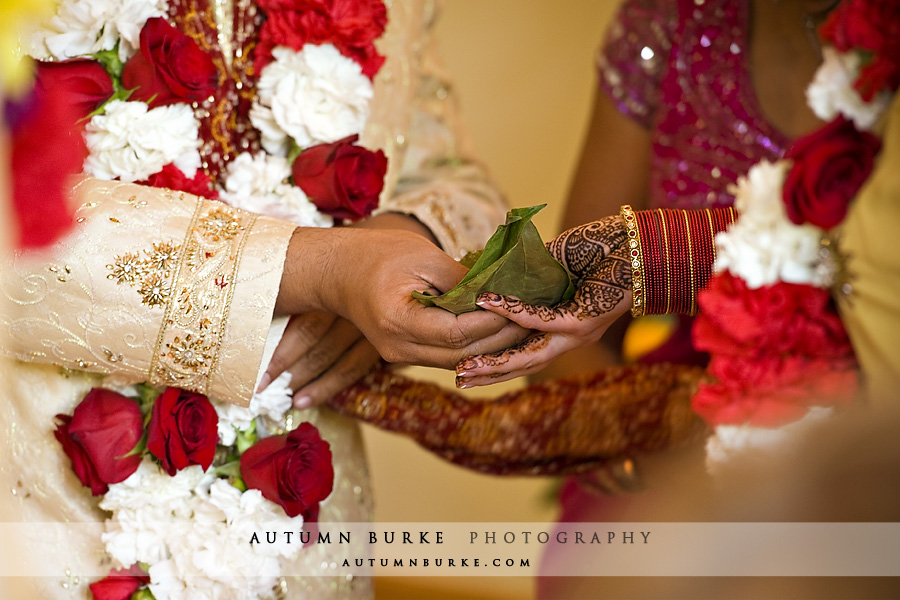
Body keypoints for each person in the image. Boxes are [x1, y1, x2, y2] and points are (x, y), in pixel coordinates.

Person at [0, 1, 528, 598]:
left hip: (306, 536)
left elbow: (456, 176)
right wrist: (318, 270)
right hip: (52, 522)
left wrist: (407, 237)